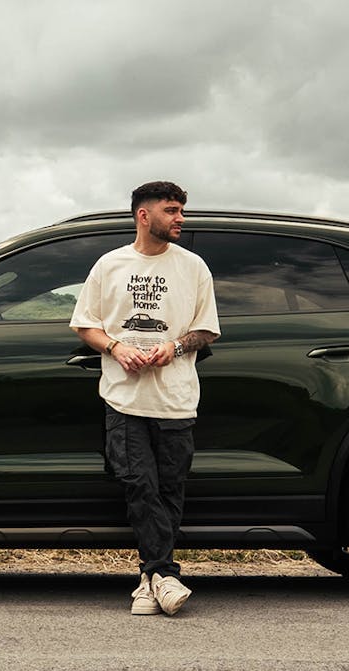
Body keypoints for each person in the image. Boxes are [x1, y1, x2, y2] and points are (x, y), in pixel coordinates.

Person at [70, 181, 220, 615]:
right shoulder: (109, 265)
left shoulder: (193, 267)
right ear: (143, 215)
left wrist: (172, 347)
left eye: (181, 212)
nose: (180, 219)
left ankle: (148, 579)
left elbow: (206, 329)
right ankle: (165, 574)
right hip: (123, 397)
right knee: (139, 483)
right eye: (172, 211)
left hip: (176, 397)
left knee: (169, 488)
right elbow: (86, 324)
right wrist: (116, 348)